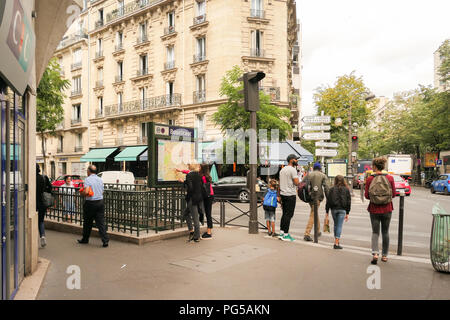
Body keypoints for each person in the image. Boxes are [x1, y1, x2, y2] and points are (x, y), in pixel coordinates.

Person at [365, 157, 396, 264]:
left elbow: (367, 196)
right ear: (383, 166)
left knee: (375, 232)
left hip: (374, 209)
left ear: (374, 166)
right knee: (385, 232)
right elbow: (394, 194)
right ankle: (385, 256)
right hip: (387, 208)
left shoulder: (370, 179)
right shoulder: (390, 178)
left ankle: (375, 253)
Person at [77, 165, 109, 247]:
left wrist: (81, 193)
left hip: (90, 203)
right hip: (100, 202)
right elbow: (102, 192)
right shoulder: (100, 179)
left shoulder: (87, 179)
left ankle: (85, 239)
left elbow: (87, 192)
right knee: (101, 222)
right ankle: (105, 240)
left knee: (87, 222)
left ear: (89, 171)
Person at [304, 162, 329, 242]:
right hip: (317, 197)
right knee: (313, 214)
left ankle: (317, 231)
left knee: (315, 213)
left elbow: (302, 184)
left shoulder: (308, 175)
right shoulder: (323, 175)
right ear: (320, 168)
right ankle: (307, 233)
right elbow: (326, 187)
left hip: (309, 197)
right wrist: (328, 198)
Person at [278, 154, 300, 242]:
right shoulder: (292, 170)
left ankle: (281, 233)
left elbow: (279, 183)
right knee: (289, 215)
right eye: (296, 159)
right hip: (290, 195)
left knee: (284, 214)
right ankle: (286, 235)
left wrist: (278, 195)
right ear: (291, 160)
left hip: (283, 194)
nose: (297, 161)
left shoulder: (282, 170)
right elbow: (297, 182)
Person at [325, 175, 351, 249]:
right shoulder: (346, 189)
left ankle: (336, 240)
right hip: (342, 209)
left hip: (334, 209)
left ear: (335, 181)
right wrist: (348, 212)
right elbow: (349, 201)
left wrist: (327, 211)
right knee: (339, 226)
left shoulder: (332, 189)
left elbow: (328, 201)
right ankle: (336, 243)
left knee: (336, 225)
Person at [181, 163, 203, 243]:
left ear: (189, 167)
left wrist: (184, 183)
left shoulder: (189, 175)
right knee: (185, 214)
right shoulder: (199, 174)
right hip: (199, 198)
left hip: (192, 199)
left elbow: (190, 188)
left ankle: (196, 237)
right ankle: (191, 231)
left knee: (195, 218)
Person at [36, 164, 52, 248]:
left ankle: (34, 239)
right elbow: (50, 188)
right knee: (41, 221)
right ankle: (42, 236)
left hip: (33, 203)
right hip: (42, 203)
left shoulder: (30, 178)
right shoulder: (43, 177)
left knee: (32, 221)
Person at [199, 164, 214, 239]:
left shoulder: (203, 177)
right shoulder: (208, 176)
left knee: (208, 214)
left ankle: (209, 233)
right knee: (208, 213)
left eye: (199, 167)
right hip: (210, 195)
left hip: (207, 196)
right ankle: (209, 230)